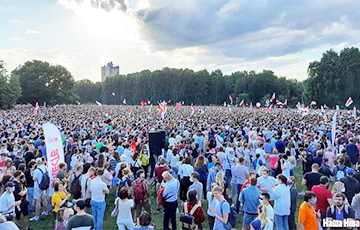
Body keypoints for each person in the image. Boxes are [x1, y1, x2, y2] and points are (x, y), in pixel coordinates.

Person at [30, 157, 49, 222]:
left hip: (38, 187)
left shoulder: (36, 170)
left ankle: (37, 216)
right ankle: (46, 211)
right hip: (44, 185)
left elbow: (34, 179)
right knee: (44, 199)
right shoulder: (45, 168)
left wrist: (32, 173)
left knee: (38, 201)